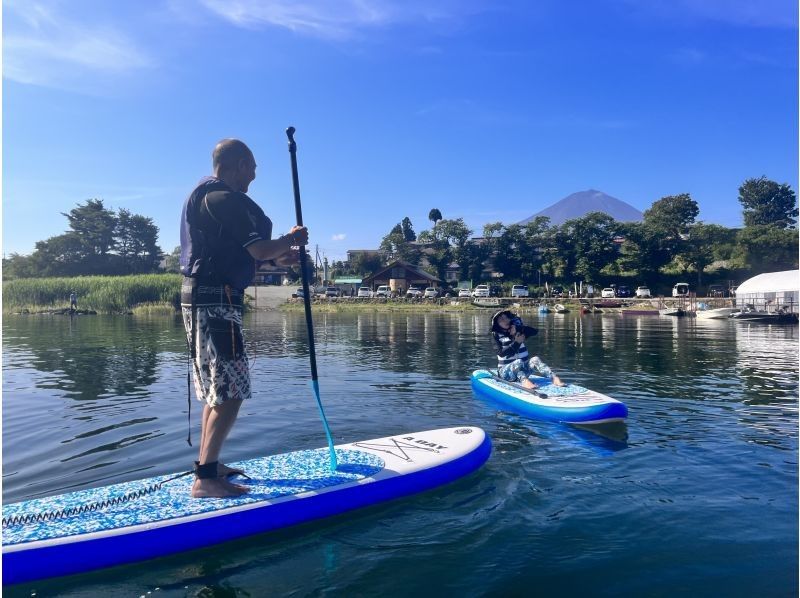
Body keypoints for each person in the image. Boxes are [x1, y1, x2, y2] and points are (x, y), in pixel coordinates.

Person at [180, 138, 308, 498]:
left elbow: (249, 256)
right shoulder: (223, 198)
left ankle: (208, 465)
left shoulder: (209, 200)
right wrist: (291, 239)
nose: (253, 177)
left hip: (203, 298)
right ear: (239, 164)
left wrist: (277, 258)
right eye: (252, 169)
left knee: (217, 390)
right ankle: (205, 480)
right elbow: (260, 248)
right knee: (232, 390)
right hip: (216, 302)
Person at [490, 310, 565, 389]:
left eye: (506, 318)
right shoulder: (496, 335)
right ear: (497, 324)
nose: (505, 320)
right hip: (505, 373)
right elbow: (500, 353)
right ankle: (525, 382)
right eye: (501, 320)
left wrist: (518, 328)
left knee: (535, 359)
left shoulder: (519, 331)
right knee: (518, 362)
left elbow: (534, 331)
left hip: (523, 371)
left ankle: (553, 378)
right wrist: (516, 343)